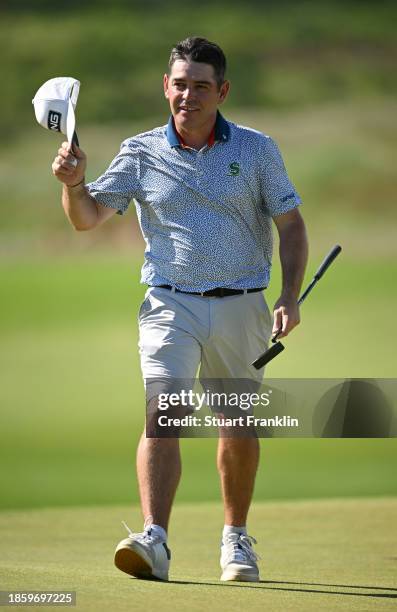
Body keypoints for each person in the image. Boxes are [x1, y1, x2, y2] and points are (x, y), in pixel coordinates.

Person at [52, 36, 308, 583]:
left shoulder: (257, 149)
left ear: (222, 90)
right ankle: (156, 539)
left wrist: (288, 295)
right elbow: (87, 217)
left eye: (200, 85)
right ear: (165, 86)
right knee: (163, 414)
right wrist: (74, 185)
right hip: (169, 302)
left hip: (243, 305)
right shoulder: (141, 151)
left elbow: (290, 224)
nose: (188, 94)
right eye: (180, 83)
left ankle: (236, 539)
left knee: (236, 426)